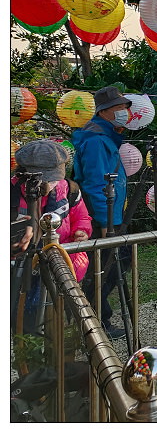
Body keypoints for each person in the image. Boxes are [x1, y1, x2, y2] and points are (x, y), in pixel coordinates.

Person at [12, 141, 92, 334]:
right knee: (21, 318)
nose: (49, 185)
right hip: (19, 268)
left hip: (59, 264)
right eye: (43, 180)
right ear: (24, 174)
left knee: (56, 320)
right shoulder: (10, 192)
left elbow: (82, 217)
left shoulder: (69, 190)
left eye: (54, 179)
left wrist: (82, 231)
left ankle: (53, 343)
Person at [72, 86, 132, 340]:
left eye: (125, 107)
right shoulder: (96, 140)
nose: (124, 112)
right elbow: (96, 183)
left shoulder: (104, 135)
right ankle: (95, 320)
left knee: (111, 264)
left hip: (110, 214)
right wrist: (106, 222)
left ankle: (95, 317)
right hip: (103, 216)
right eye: (119, 108)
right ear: (104, 111)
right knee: (105, 268)